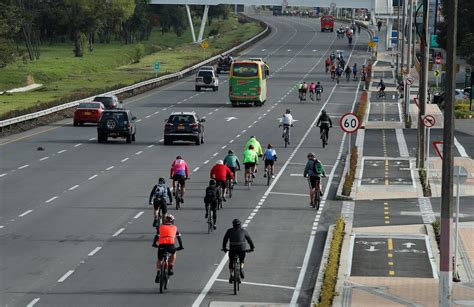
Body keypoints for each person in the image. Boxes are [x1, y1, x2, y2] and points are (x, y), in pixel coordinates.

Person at [153, 214, 184, 282]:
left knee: (159, 259)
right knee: (174, 253)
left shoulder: (161, 227)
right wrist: (181, 246)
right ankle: (170, 267)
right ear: (172, 221)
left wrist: (154, 244)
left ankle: (158, 273)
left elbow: (156, 236)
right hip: (170, 246)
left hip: (161, 246)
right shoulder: (174, 228)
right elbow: (179, 238)